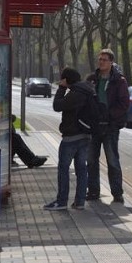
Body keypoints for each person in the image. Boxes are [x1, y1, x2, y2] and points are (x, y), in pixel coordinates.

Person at [45, 67, 92, 211]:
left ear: (66, 80)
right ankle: (79, 202)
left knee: (63, 169)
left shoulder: (75, 94)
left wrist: (60, 88)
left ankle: (61, 201)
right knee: (81, 169)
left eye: (62, 79)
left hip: (71, 137)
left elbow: (57, 106)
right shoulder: (88, 90)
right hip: (86, 135)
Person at [86, 48, 129, 204]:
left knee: (112, 161)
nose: (101, 62)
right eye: (100, 59)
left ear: (111, 62)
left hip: (110, 127)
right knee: (91, 160)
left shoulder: (119, 81)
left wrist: (109, 115)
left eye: (104, 60)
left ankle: (117, 193)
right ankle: (93, 191)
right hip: (94, 126)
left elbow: (124, 103)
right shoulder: (92, 79)